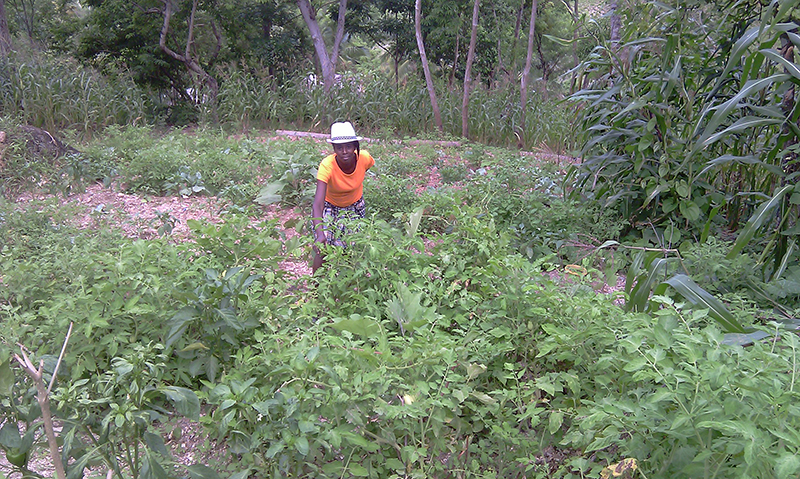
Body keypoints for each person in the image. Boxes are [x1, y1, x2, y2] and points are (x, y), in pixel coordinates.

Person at [312, 121, 375, 272]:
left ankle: (346, 283)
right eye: (339, 148)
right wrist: (320, 234)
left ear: (355, 146)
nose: (344, 151)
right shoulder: (327, 166)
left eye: (348, 146)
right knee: (322, 248)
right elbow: (318, 204)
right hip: (330, 205)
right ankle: (316, 289)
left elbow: (363, 169)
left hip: (354, 206)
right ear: (334, 149)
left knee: (351, 246)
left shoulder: (364, 159)